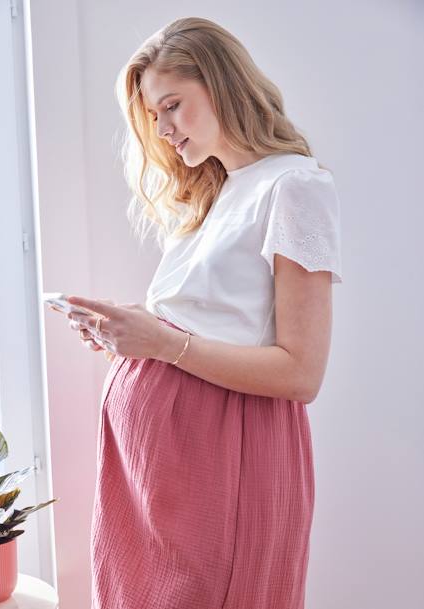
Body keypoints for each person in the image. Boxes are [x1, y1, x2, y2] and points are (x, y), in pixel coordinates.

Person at [65, 16, 342, 609]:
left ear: (220, 86)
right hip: (150, 469)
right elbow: (210, 321)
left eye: (172, 106)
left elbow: (301, 373)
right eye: (153, 115)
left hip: (220, 458)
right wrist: (131, 330)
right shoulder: (215, 193)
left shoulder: (294, 188)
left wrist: (163, 345)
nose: (162, 130)